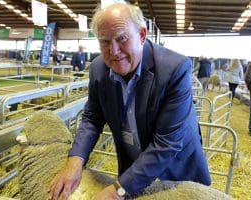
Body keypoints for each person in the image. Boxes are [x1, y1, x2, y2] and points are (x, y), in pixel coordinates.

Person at [48, 3, 211, 200]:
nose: (114, 51)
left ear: (142, 35)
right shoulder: (99, 69)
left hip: (175, 173)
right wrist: (75, 162)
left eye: (122, 38)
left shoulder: (174, 69)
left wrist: (117, 191)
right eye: (105, 42)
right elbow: (92, 118)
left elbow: (166, 144)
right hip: (133, 170)